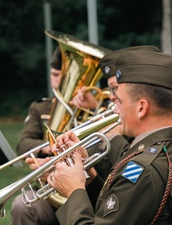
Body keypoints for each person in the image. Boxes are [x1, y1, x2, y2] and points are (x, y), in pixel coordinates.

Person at [47, 51, 172, 224]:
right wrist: (89, 179)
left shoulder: (143, 168)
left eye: (119, 101)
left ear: (141, 108)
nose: (113, 109)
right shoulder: (159, 151)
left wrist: (74, 190)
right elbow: (120, 212)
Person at [11, 47, 62, 225]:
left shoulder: (97, 108)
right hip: (49, 192)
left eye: (64, 75)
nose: (58, 81)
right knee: (21, 205)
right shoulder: (41, 108)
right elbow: (23, 145)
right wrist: (51, 146)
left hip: (87, 194)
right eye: (54, 74)